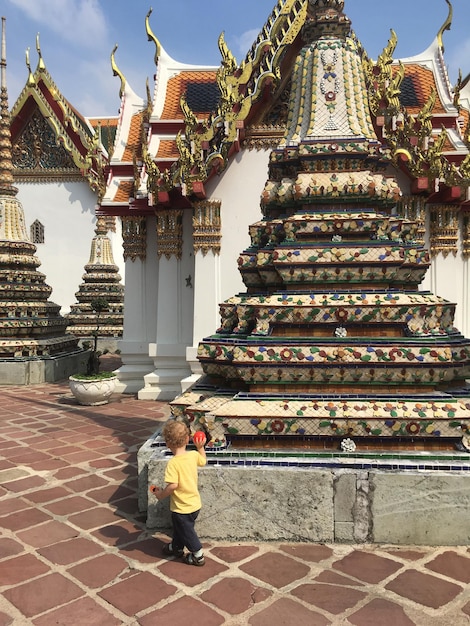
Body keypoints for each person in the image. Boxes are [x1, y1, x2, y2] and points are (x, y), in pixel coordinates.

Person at [149, 420, 207, 566]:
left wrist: (161, 494)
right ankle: (176, 547)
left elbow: (173, 485)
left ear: (167, 443)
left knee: (187, 532)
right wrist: (200, 447)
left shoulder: (173, 463)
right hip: (194, 504)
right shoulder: (193, 455)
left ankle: (198, 555)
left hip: (182, 508)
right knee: (180, 529)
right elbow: (203, 461)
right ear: (188, 439)